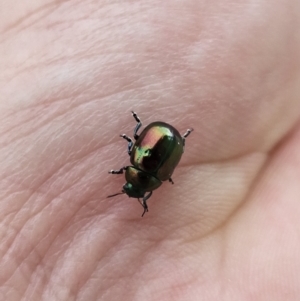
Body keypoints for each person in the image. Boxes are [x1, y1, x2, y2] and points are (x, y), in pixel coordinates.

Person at [0, 1, 299, 300]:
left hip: (168, 137)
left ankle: (146, 126)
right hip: (167, 137)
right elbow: (139, 157)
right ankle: (142, 126)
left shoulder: (154, 178)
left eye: (126, 183)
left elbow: (147, 162)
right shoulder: (140, 170)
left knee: (136, 143)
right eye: (134, 188)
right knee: (134, 144)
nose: (129, 185)